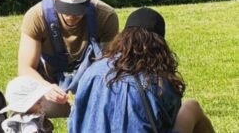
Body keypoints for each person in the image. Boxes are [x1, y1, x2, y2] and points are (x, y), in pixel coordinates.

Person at [69, 8, 215, 133]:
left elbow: (75, 121)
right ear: (159, 45)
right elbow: (168, 121)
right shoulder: (158, 80)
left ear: (123, 37)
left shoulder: (92, 71)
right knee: (192, 107)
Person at [18, 0, 119, 117]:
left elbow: (109, 65)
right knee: (20, 97)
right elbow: (25, 68)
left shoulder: (106, 16)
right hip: (49, 86)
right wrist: (45, 87)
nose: (71, 15)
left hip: (92, 86)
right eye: (65, 8)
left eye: (77, 10)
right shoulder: (36, 16)